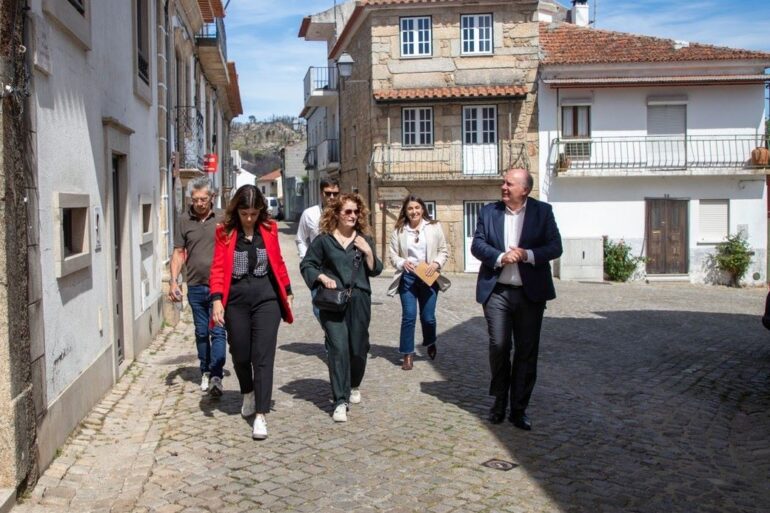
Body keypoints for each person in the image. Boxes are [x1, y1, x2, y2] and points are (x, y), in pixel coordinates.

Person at [471, 167, 562, 431]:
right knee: (498, 347)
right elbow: (477, 245)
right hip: (497, 291)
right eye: (503, 182)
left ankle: (519, 408)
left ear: (525, 189)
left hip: (530, 294)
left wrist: (526, 254)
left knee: (526, 351)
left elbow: (555, 247)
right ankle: (499, 402)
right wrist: (500, 257)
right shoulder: (489, 212)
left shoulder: (542, 212)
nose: (504, 187)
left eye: (509, 183)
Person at [209, 185, 294, 440]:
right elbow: (218, 268)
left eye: (254, 213)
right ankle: (247, 391)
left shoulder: (269, 228)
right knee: (241, 352)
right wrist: (216, 300)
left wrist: (287, 289)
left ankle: (260, 414)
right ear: (237, 210)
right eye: (245, 213)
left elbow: (277, 260)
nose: (249, 218)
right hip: (235, 299)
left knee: (263, 356)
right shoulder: (224, 232)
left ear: (260, 211)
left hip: (266, 297)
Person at [300, 193, 383, 422]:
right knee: (338, 347)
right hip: (333, 302)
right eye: (348, 211)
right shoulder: (324, 240)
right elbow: (307, 264)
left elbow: (376, 269)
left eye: (356, 212)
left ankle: (354, 383)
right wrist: (320, 277)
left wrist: (367, 251)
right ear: (336, 213)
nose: (353, 216)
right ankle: (340, 400)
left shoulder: (364, 239)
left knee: (358, 348)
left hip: (359, 300)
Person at [168, 177, 226, 396]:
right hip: (194, 285)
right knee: (202, 332)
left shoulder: (223, 217)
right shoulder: (184, 220)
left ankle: (216, 376)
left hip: (219, 287)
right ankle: (205, 370)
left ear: (212, 197)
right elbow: (178, 252)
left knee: (218, 331)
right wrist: (174, 281)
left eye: (203, 199)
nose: (199, 204)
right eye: (195, 200)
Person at [387, 195, 451, 370]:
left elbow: (443, 251)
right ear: (405, 212)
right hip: (408, 277)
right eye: (410, 209)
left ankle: (430, 341)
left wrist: (436, 263)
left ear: (422, 209)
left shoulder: (434, 227)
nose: (414, 211)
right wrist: (402, 262)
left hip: (428, 276)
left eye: (417, 208)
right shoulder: (399, 231)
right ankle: (407, 354)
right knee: (408, 316)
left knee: (428, 318)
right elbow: (393, 255)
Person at [296, 177, 341, 259]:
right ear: (321, 193)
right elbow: (301, 240)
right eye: (328, 193)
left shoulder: (345, 215)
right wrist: (306, 261)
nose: (332, 197)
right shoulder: (309, 214)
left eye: (335, 194)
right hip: (318, 265)